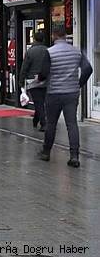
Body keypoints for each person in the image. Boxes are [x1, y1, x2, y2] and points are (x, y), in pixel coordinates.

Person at [38, 27, 93, 167]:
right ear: (65, 36)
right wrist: (78, 84)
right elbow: (88, 69)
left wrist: (40, 78)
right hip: (71, 93)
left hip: (54, 93)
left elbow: (43, 73)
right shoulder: (76, 51)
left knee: (51, 124)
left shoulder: (49, 52)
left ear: (54, 36)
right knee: (72, 124)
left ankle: (46, 152)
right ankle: (74, 156)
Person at [19, 31, 48, 132]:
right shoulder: (47, 50)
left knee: (38, 102)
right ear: (43, 39)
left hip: (32, 81)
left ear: (34, 39)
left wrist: (21, 81)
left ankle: (44, 123)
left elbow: (24, 68)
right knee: (41, 102)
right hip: (45, 80)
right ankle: (36, 120)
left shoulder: (30, 52)